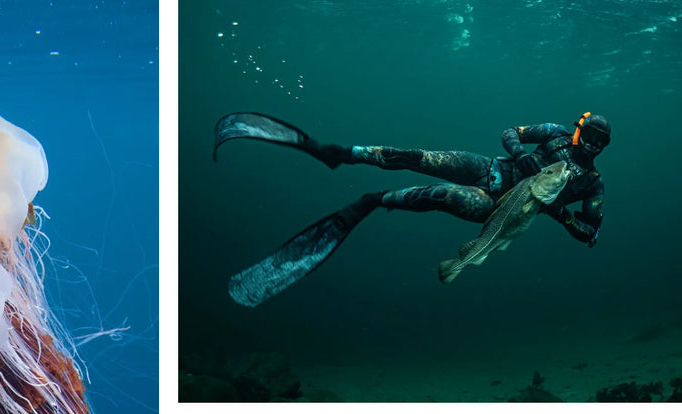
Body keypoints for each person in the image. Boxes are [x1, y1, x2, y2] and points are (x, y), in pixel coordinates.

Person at [213, 111, 609, 303]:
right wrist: (518, 153)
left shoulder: (593, 185)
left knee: (441, 195)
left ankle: (371, 202)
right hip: (492, 167)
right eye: (589, 134)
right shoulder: (554, 134)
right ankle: (337, 153)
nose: (591, 144)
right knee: (419, 156)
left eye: (599, 142)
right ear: (578, 129)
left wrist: (556, 210)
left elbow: (589, 233)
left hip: (496, 206)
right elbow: (510, 131)